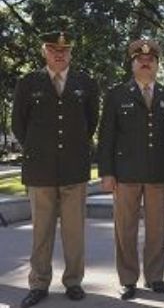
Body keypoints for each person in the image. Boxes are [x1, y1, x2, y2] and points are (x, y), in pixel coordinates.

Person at [12, 31, 100, 308]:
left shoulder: (85, 82)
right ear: (44, 52)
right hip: (40, 169)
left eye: (64, 49)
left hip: (74, 168)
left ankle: (73, 281)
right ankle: (38, 283)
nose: (59, 54)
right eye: (53, 49)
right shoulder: (29, 82)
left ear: (71, 53)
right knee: (41, 231)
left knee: (74, 232)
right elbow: (18, 124)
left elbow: (91, 122)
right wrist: (39, 150)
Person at [97, 39, 164, 299]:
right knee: (125, 230)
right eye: (140, 61)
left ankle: (155, 277)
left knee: (157, 230)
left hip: (158, 174)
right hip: (125, 175)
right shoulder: (116, 94)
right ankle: (128, 279)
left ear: (156, 65)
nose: (145, 64)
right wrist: (107, 172)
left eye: (150, 61)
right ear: (132, 64)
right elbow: (106, 135)